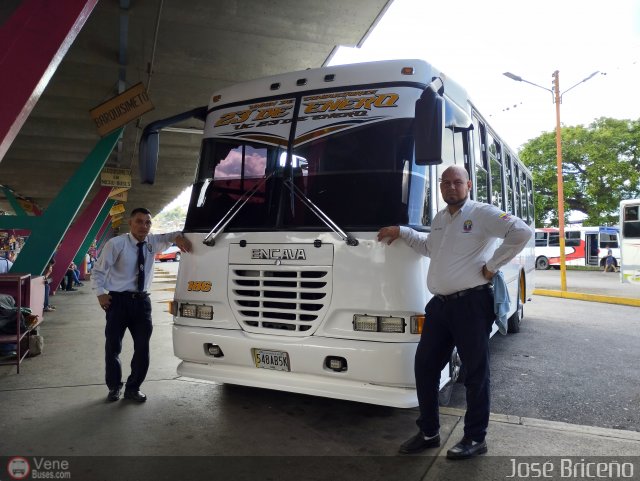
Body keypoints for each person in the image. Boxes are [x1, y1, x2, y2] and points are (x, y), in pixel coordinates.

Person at [377, 165, 532, 460]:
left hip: (471, 305)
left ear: (468, 185)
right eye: (445, 182)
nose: (451, 187)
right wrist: (403, 232)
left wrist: (492, 266)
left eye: (457, 182)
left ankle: (476, 438)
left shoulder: (481, 213)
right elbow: (428, 248)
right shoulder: (440, 219)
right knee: (425, 367)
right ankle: (429, 432)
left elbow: (521, 232)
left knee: (475, 374)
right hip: (441, 306)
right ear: (440, 187)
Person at [91, 207, 192, 403]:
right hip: (117, 302)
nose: (143, 226)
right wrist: (100, 294)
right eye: (139, 221)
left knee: (142, 348)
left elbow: (171, 235)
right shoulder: (116, 244)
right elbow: (98, 271)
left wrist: (178, 237)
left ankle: (133, 388)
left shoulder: (152, 242)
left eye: (147, 222)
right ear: (130, 223)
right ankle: (114, 387)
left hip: (142, 304)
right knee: (113, 347)